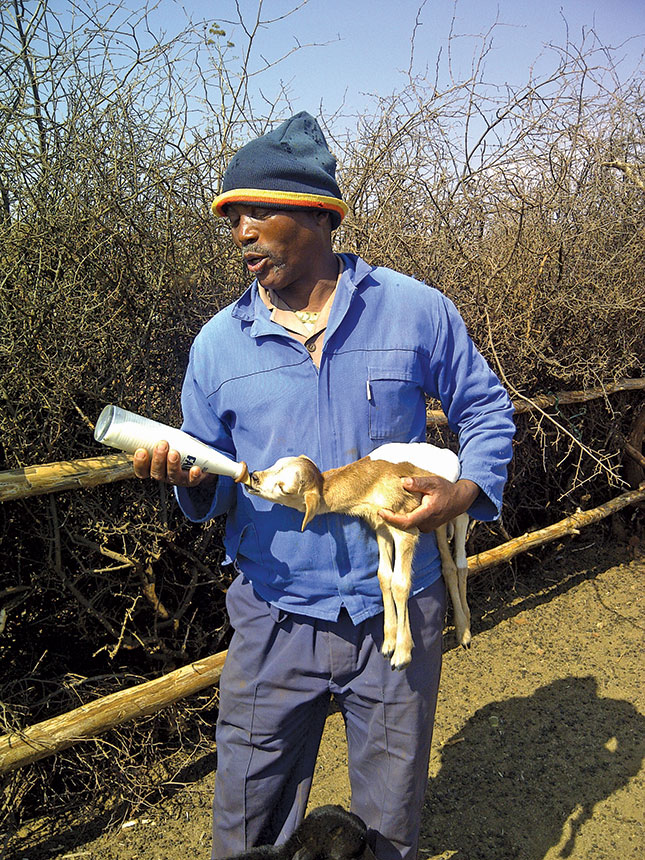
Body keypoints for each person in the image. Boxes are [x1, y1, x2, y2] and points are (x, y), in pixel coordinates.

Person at [133, 111, 515, 860]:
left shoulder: (413, 309)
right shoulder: (216, 346)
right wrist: (183, 477)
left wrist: (467, 490)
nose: (240, 230)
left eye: (257, 209)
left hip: (396, 611)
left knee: (387, 825)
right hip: (272, 616)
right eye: (231, 216)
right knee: (249, 824)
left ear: (318, 214)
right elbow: (211, 480)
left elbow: (485, 408)